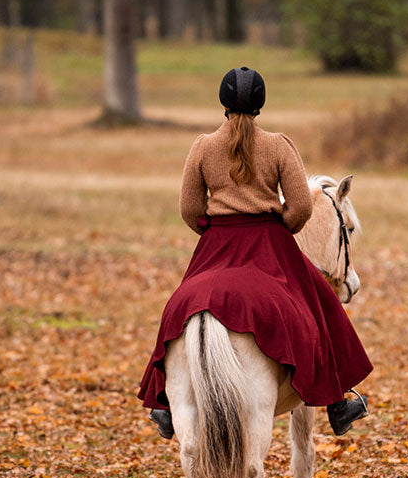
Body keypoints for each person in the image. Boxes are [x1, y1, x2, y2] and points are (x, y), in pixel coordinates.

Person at [137, 65, 372, 439]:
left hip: (218, 244)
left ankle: (162, 403)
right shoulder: (279, 145)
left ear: (223, 103)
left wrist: (212, 229)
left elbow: (188, 208)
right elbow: (301, 205)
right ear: (261, 104)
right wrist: (283, 227)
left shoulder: (202, 146)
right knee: (321, 302)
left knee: (178, 306)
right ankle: (338, 402)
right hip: (269, 243)